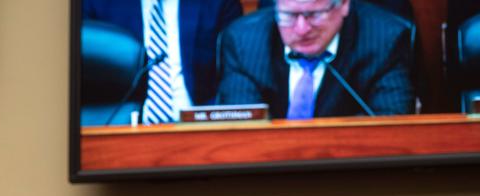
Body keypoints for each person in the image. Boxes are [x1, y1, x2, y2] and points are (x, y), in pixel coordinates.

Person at [216, 0, 415, 119]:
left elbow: (391, 125)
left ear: (344, 4)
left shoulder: (385, 40)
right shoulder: (244, 42)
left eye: (314, 15)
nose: (302, 29)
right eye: (289, 15)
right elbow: (242, 128)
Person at [83, 0, 243, 121]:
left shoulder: (217, 3)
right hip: (122, 130)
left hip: (198, 131)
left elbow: (233, 82)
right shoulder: (97, 4)